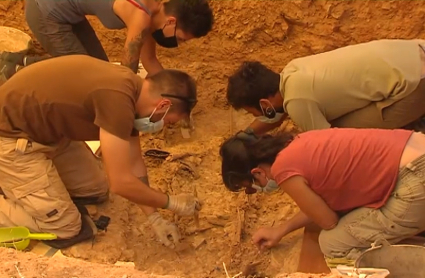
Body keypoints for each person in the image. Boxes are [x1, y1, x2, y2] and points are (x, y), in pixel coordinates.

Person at [0, 54, 200, 249]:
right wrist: (171, 203)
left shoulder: (132, 91)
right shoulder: (117, 101)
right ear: (163, 105)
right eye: (168, 120)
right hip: (10, 137)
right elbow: (120, 183)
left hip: (46, 133)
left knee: (94, 190)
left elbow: (134, 164)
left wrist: (154, 217)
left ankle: (25, 187)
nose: (163, 125)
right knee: (65, 227)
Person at [219, 127, 425, 266]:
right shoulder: (298, 142)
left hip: (415, 182)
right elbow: (322, 206)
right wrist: (281, 229)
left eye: (252, 187)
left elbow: (328, 220)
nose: (257, 191)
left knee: (332, 243)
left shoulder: (282, 170)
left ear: (257, 172)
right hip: (416, 149)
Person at [225, 39, 425, 135]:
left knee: (341, 132)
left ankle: (416, 122)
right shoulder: (293, 71)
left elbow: (332, 145)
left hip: (415, 86)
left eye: (255, 113)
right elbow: (278, 116)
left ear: (265, 104)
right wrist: (246, 135)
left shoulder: (296, 102)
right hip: (416, 53)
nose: (257, 118)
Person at [0, 0, 213, 81]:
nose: (178, 44)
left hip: (68, 13)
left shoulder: (153, 11)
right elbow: (126, 74)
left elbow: (149, 62)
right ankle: (11, 73)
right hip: (45, 11)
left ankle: (14, 60)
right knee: (87, 77)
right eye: (180, 39)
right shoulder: (140, 16)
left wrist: (174, 89)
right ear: (172, 21)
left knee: (99, 68)